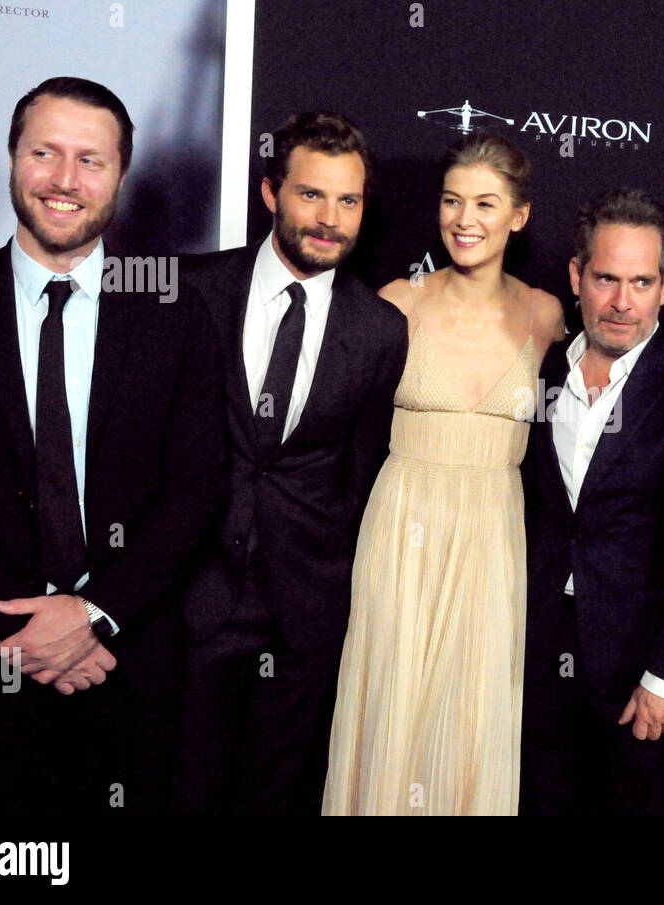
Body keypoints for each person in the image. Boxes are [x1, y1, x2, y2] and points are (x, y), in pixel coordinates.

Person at [0, 77, 225, 815]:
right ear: (13, 158)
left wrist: (89, 615)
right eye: (44, 152)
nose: (64, 179)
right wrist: (31, 627)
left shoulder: (175, 313)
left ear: (122, 173)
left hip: (127, 658)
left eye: (90, 160)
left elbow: (197, 489)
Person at [322, 131, 563, 816]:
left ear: (518, 215)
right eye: (452, 201)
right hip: (403, 528)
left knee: (472, 724)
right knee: (390, 712)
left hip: (493, 538)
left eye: (486, 204)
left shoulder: (545, 314)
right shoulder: (398, 302)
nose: (465, 220)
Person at [174, 112, 407, 815]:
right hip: (191, 601)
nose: (330, 219)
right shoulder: (190, 289)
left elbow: (361, 472)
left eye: (349, 200)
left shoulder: (380, 329)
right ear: (271, 192)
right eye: (312, 195)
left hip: (303, 614)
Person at [520, 188, 664, 816]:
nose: (622, 302)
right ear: (576, 276)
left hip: (636, 669)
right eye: (606, 279)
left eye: (641, 282)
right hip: (532, 652)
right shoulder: (542, 371)